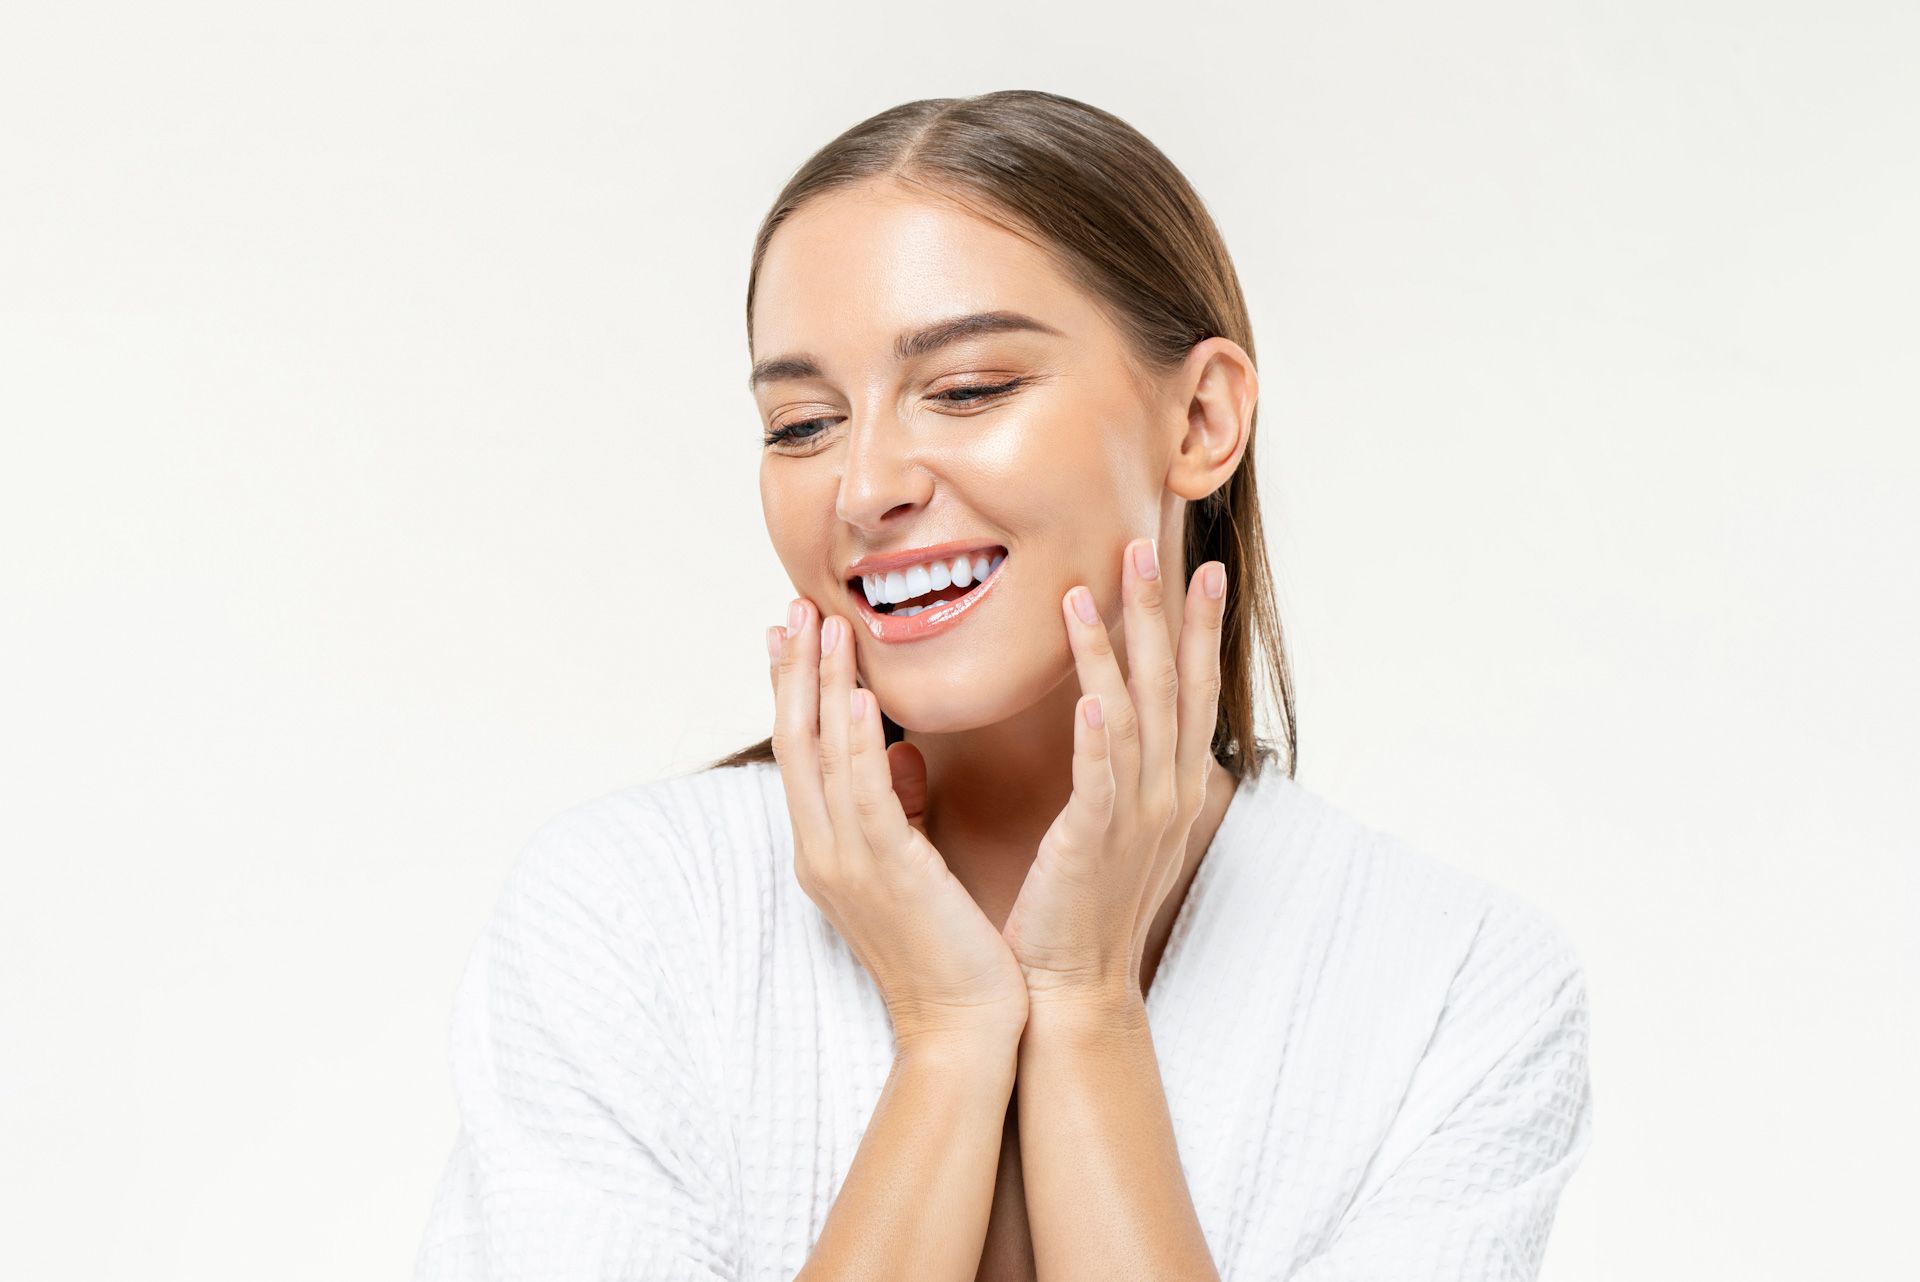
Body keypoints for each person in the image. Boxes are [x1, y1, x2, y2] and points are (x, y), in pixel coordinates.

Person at [412, 90, 1592, 1282]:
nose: (863, 486)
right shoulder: (626, 918)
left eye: (969, 389)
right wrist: (949, 1036)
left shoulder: (1454, 987)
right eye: (802, 423)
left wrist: (1085, 1008)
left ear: (1201, 416)